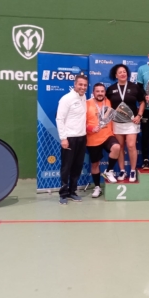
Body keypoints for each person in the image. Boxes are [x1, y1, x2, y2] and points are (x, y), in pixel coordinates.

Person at [106, 64, 146, 182]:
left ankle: (132, 170)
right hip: (117, 122)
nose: (123, 74)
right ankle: (122, 170)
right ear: (116, 75)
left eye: (124, 71)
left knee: (131, 146)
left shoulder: (135, 87)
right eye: (120, 72)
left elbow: (142, 102)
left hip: (131, 122)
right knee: (120, 147)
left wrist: (139, 115)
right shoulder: (111, 89)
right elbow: (106, 104)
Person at [56, 74, 88, 205]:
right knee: (66, 167)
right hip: (69, 138)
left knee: (77, 166)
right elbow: (59, 119)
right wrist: (63, 138)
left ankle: (72, 191)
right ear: (75, 84)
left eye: (85, 85)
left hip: (82, 137)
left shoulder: (84, 97)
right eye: (80, 84)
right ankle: (63, 194)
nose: (83, 87)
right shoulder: (66, 99)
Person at [86, 83, 120, 198]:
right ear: (93, 92)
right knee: (95, 164)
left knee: (116, 147)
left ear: (105, 92)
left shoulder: (109, 102)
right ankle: (97, 187)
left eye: (102, 91)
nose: (100, 93)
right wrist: (91, 128)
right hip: (92, 138)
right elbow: (80, 122)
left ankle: (108, 171)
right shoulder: (86, 104)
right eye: (97, 91)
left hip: (107, 135)